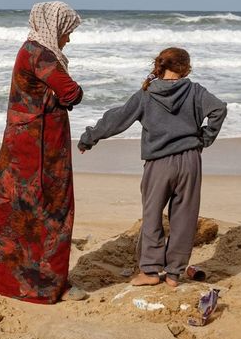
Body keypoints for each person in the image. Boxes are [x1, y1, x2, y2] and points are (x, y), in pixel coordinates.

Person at [78, 47, 227, 287]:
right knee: (184, 217)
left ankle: (149, 271)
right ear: (185, 68)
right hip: (190, 160)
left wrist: (89, 138)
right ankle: (173, 273)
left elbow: (116, 119)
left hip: (159, 163)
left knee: (152, 215)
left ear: (161, 66)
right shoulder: (196, 91)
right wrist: (205, 138)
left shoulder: (146, 94)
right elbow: (219, 109)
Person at [0, 1, 87, 303]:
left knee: (12, 209)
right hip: (40, 148)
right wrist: (66, 94)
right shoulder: (42, 54)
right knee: (51, 210)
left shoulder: (29, 49)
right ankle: (46, 285)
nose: (68, 38)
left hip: (20, 142)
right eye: (67, 31)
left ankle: (1, 280)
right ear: (54, 27)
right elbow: (72, 92)